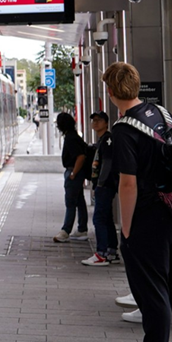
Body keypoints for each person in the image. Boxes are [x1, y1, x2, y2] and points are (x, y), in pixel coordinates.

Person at [103, 62, 172, 342]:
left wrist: (126, 230)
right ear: (136, 86)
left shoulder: (124, 130)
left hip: (148, 218)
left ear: (111, 93)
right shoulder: (162, 114)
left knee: (153, 293)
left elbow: (128, 185)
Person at [83, 111, 120, 266]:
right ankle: (111, 251)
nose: (95, 123)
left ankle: (101, 254)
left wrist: (100, 184)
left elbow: (108, 164)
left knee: (99, 218)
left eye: (99, 120)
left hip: (105, 185)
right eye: (93, 120)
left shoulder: (108, 140)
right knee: (107, 218)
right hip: (105, 185)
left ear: (106, 123)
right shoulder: (103, 140)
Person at [53, 111, 89, 243]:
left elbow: (80, 156)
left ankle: (65, 231)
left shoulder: (70, 138)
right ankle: (82, 229)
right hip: (77, 173)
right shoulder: (74, 135)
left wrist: (73, 173)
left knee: (70, 202)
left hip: (73, 172)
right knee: (79, 201)